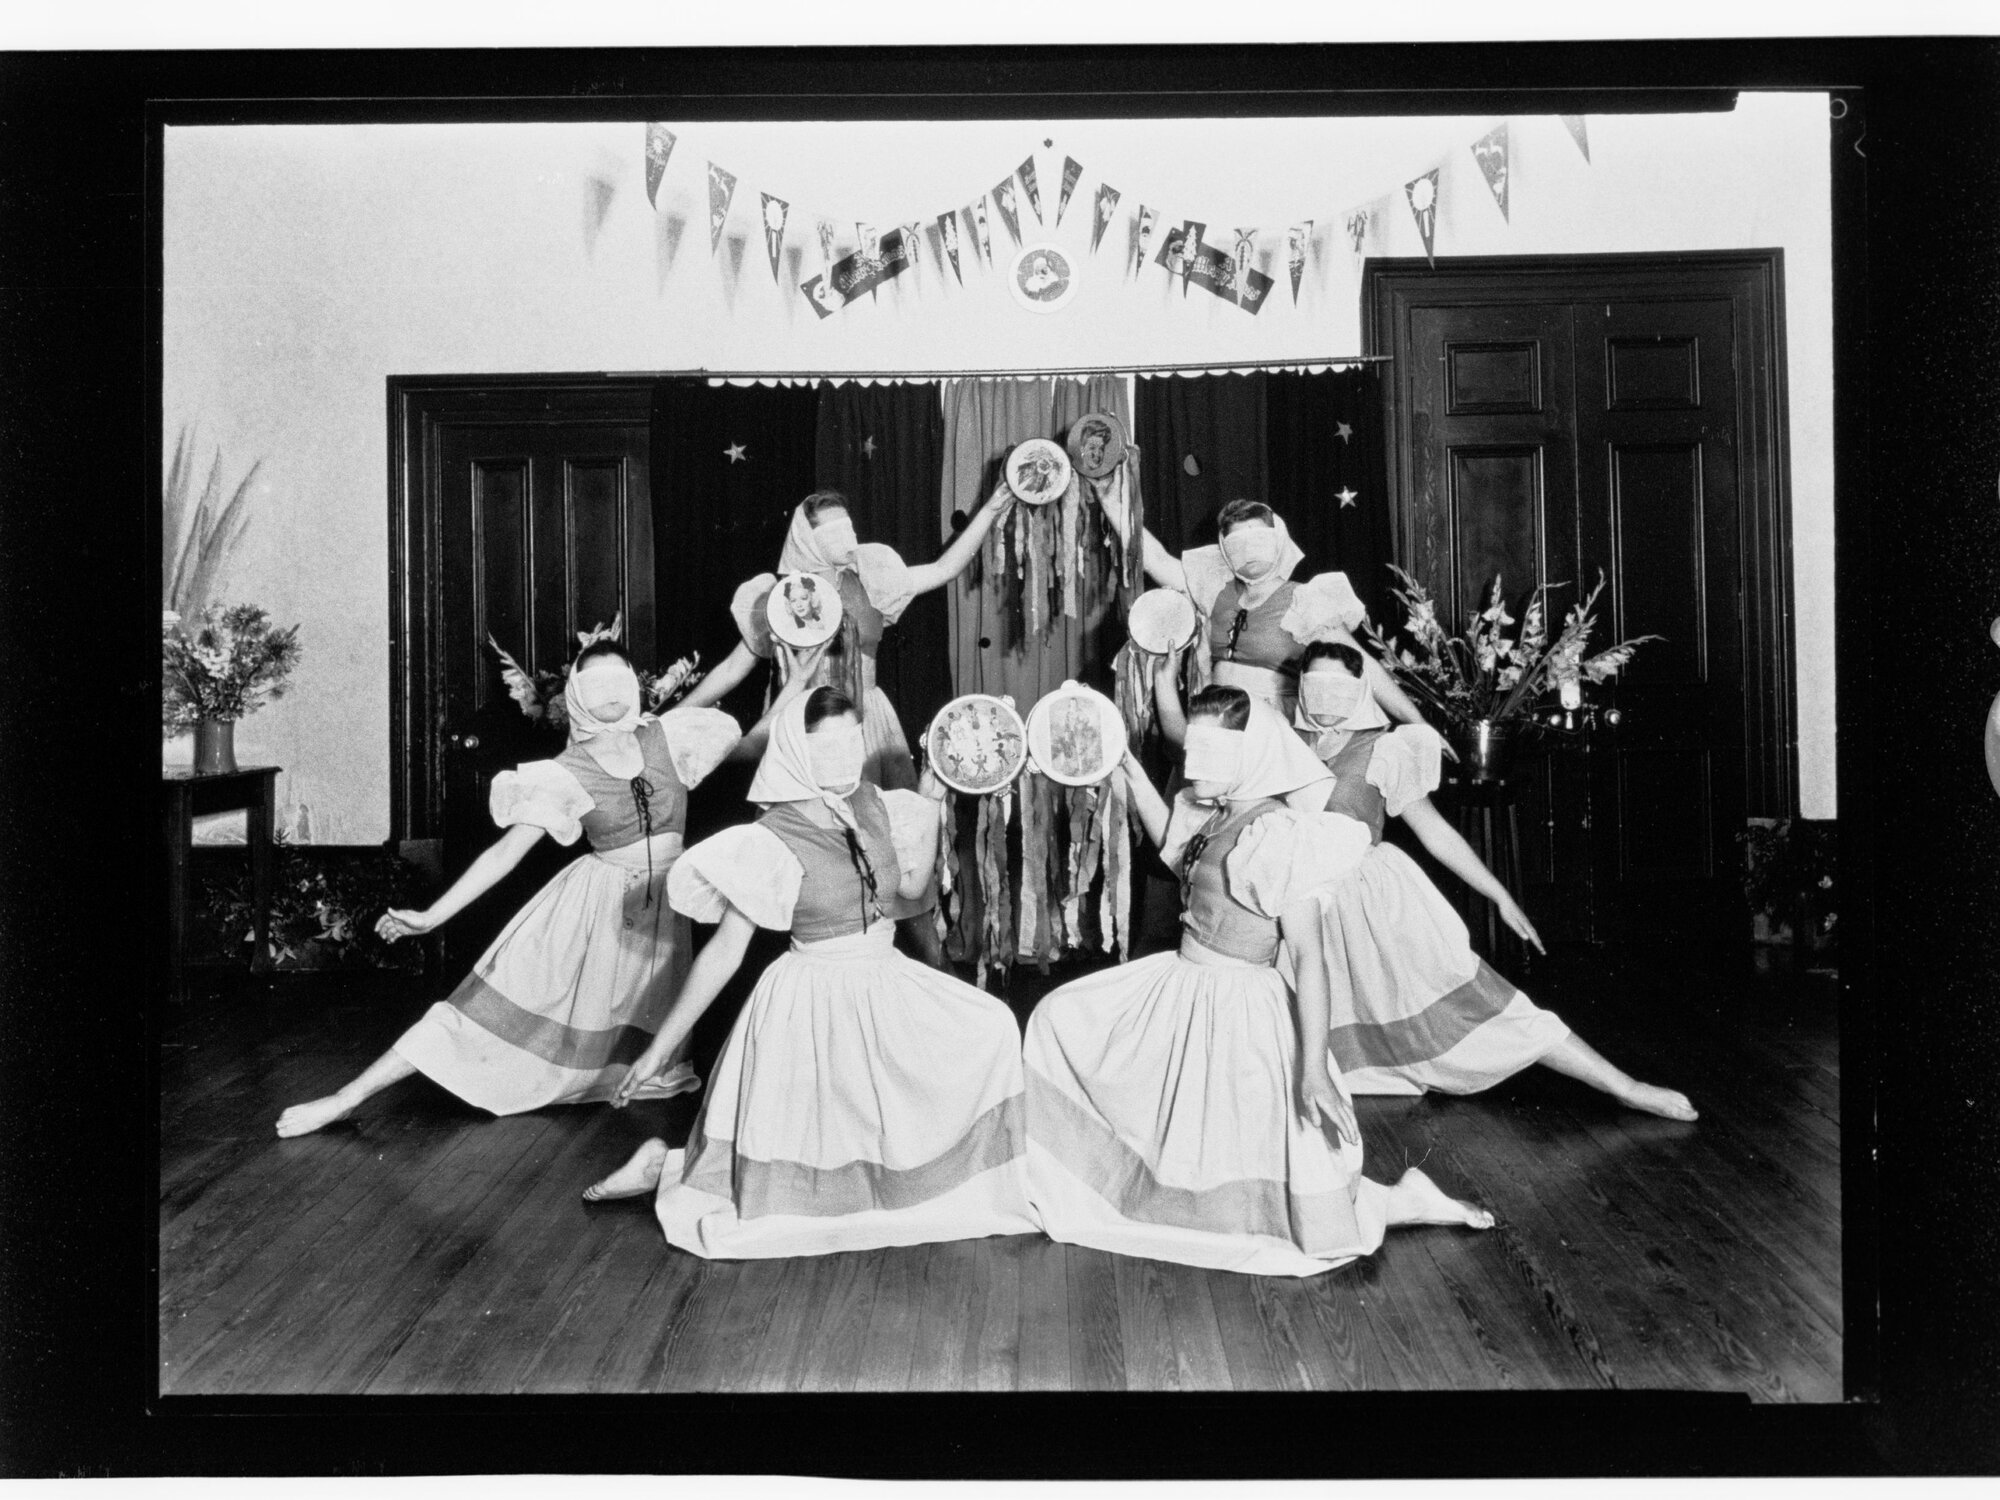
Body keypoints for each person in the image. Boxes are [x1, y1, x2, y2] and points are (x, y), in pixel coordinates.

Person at [1021, 685, 1494, 1277]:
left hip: (1242, 1006)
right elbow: (1179, 854)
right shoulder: (1219, 813)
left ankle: (1402, 1202)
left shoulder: (1282, 834)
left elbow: (1311, 959)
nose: (1193, 767)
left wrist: (1314, 1066)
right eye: (1191, 752)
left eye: (1210, 755)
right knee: (1061, 1019)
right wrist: (1126, 766)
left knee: (1270, 1193)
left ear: (1252, 755)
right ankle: (1397, 1200)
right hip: (1187, 983)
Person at [274, 640, 818, 1139]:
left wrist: (801, 674)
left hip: (661, 911)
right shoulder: (564, 771)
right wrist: (432, 916)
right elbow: (503, 854)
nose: (609, 695)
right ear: (577, 697)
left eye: (618, 681)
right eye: (595, 685)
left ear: (634, 686)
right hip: (588, 911)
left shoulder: (671, 735)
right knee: (480, 1009)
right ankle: (348, 1096)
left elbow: (754, 734)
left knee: (634, 1048)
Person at [582, 686, 1039, 1258]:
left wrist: (929, 798)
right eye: (827, 747)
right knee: (800, 1176)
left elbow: (905, 892)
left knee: (993, 1023)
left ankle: (668, 1162)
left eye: (853, 741)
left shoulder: (873, 801)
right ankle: (667, 1164)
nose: (845, 757)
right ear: (796, 750)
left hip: (883, 974)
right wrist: (657, 1052)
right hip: (813, 998)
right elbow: (724, 953)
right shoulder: (772, 833)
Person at [1282, 641, 1698, 1120]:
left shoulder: (1385, 748)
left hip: (1372, 906)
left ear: (1361, 690)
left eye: (1340, 687)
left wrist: (1499, 895)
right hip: (1301, 908)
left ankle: (1624, 1085)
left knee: (1477, 1000)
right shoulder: (1282, 742)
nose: (1326, 700)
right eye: (1316, 686)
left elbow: (1435, 832)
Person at [732, 486, 1016, 965]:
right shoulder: (777, 598)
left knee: (895, 848)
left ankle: (934, 967)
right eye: (831, 527)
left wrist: (990, 508)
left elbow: (945, 569)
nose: (847, 535)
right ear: (805, 537)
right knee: (812, 860)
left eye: (848, 522)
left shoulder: (870, 580)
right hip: (804, 735)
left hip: (866, 728)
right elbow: (733, 666)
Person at [1123, 496, 1426, 730]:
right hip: (1212, 725)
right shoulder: (1214, 590)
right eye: (1238, 543)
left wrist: (1418, 723)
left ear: (1279, 541)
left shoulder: (1303, 601)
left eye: (1259, 540)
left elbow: (1364, 667)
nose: (1250, 553)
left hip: (1274, 736)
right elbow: (1157, 560)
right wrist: (1114, 498)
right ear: (1224, 549)